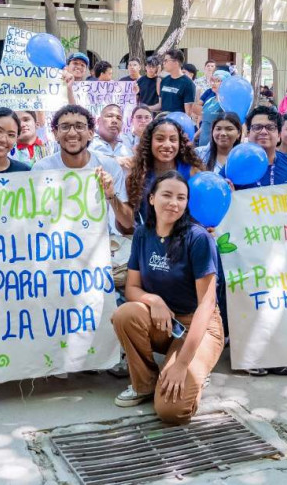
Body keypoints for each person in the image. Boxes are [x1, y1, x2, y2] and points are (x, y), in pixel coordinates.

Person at [111, 171, 225, 424]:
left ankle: (194, 368)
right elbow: (131, 288)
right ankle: (145, 383)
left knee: (171, 411)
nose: (174, 203)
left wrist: (182, 364)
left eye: (181, 198)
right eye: (167, 195)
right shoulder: (143, 234)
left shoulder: (199, 239)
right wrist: (154, 301)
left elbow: (207, 305)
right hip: (165, 323)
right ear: (151, 199)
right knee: (125, 314)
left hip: (200, 325)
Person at [33, 104, 134, 233]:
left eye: (79, 126)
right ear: (55, 133)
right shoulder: (41, 170)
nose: (72, 133)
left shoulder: (109, 166)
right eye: (64, 127)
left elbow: (127, 223)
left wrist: (111, 195)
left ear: (91, 133)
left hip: (99, 246)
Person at [126, 118, 204, 226]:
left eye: (173, 140)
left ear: (180, 143)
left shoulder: (192, 171)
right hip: (150, 238)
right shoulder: (138, 174)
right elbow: (132, 217)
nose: (167, 145)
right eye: (160, 139)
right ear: (150, 142)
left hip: (185, 237)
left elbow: (201, 207)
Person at [221, 106, 287, 191]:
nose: (263, 132)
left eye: (270, 128)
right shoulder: (234, 165)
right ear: (248, 134)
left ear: (279, 136)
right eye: (257, 127)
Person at [195, 70, 230, 147]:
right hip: (203, 146)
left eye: (218, 81)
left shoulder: (227, 103)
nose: (214, 83)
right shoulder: (209, 101)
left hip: (217, 147)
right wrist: (194, 137)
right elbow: (205, 124)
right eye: (213, 80)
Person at [158, 49, 196, 114]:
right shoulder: (164, 80)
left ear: (176, 63)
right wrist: (145, 108)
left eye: (166, 60)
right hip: (164, 121)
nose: (163, 63)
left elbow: (188, 114)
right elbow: (160, 105)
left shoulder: (188, 84)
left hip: (178, 122)